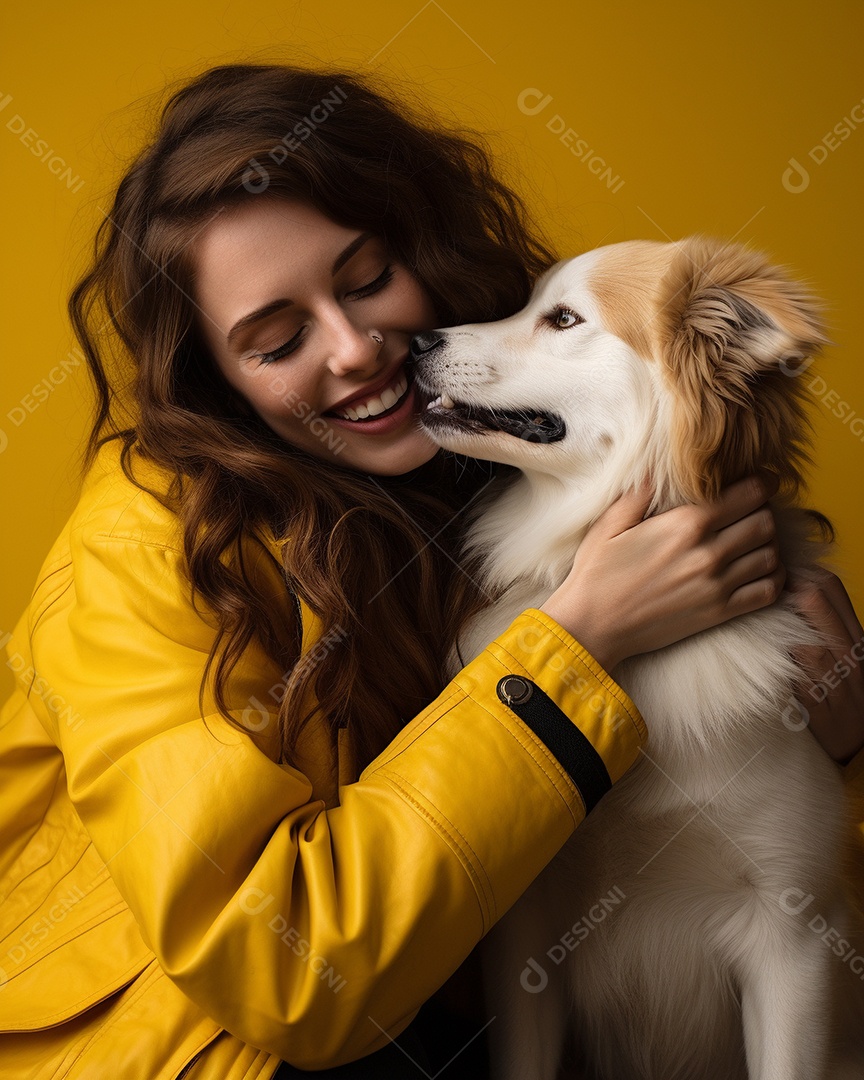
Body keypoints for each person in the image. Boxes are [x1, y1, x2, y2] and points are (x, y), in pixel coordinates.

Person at [1, 62, 862, 1080]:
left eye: (367, 280)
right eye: (277, 342)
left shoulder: (489, 444)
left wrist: (840, 731)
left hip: (438, 1016)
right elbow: (290, 972)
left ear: (429, 245)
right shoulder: (137, 553)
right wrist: (577, 643)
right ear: (216, 383)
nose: (359, 348)